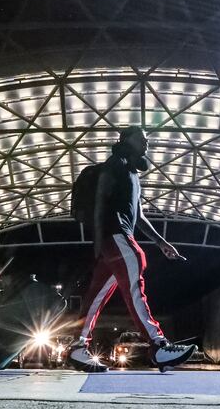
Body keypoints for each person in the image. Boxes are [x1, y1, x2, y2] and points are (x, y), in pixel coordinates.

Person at [67, 126, 197, 373]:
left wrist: (161, 242)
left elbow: (139, 216)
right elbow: (100, 202)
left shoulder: (132, 174)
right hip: (116, 235)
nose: (146, 143)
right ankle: (158, 345)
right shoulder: (115, 165)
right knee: (135, 281)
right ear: (126, 140)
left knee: (96, 296)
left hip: (113, 240)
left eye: (147, 139)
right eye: (141, 139)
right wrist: (99, 241)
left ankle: (78, 346)